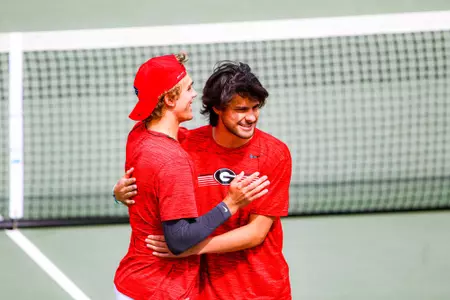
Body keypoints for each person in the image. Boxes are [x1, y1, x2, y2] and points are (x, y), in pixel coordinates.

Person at [114, 61, 292, 299]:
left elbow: (256, 233)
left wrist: (188, 248)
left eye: (255, 108)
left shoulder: (274, 154)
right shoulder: (186, 146)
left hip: (260, 289)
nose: (251, 117)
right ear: (218, 108)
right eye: (241, 109)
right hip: (204, 290)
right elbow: (152, 161)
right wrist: (119, 194)